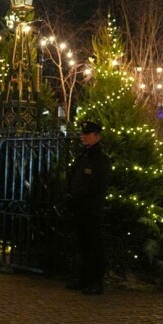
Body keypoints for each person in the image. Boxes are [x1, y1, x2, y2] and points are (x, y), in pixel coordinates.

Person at [66, 120, 112, 295]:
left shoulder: (101, 159)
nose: (83, 137)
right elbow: (73, 178)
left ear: (97, 136)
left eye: (88, 134)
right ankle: (83, 278)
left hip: (92, 208)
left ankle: (95, 281)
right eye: (83, 134)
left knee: (94, 245)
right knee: (82, 243)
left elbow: (99, 184)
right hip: (79, 207)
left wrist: (83, 195)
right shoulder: (82, 156)